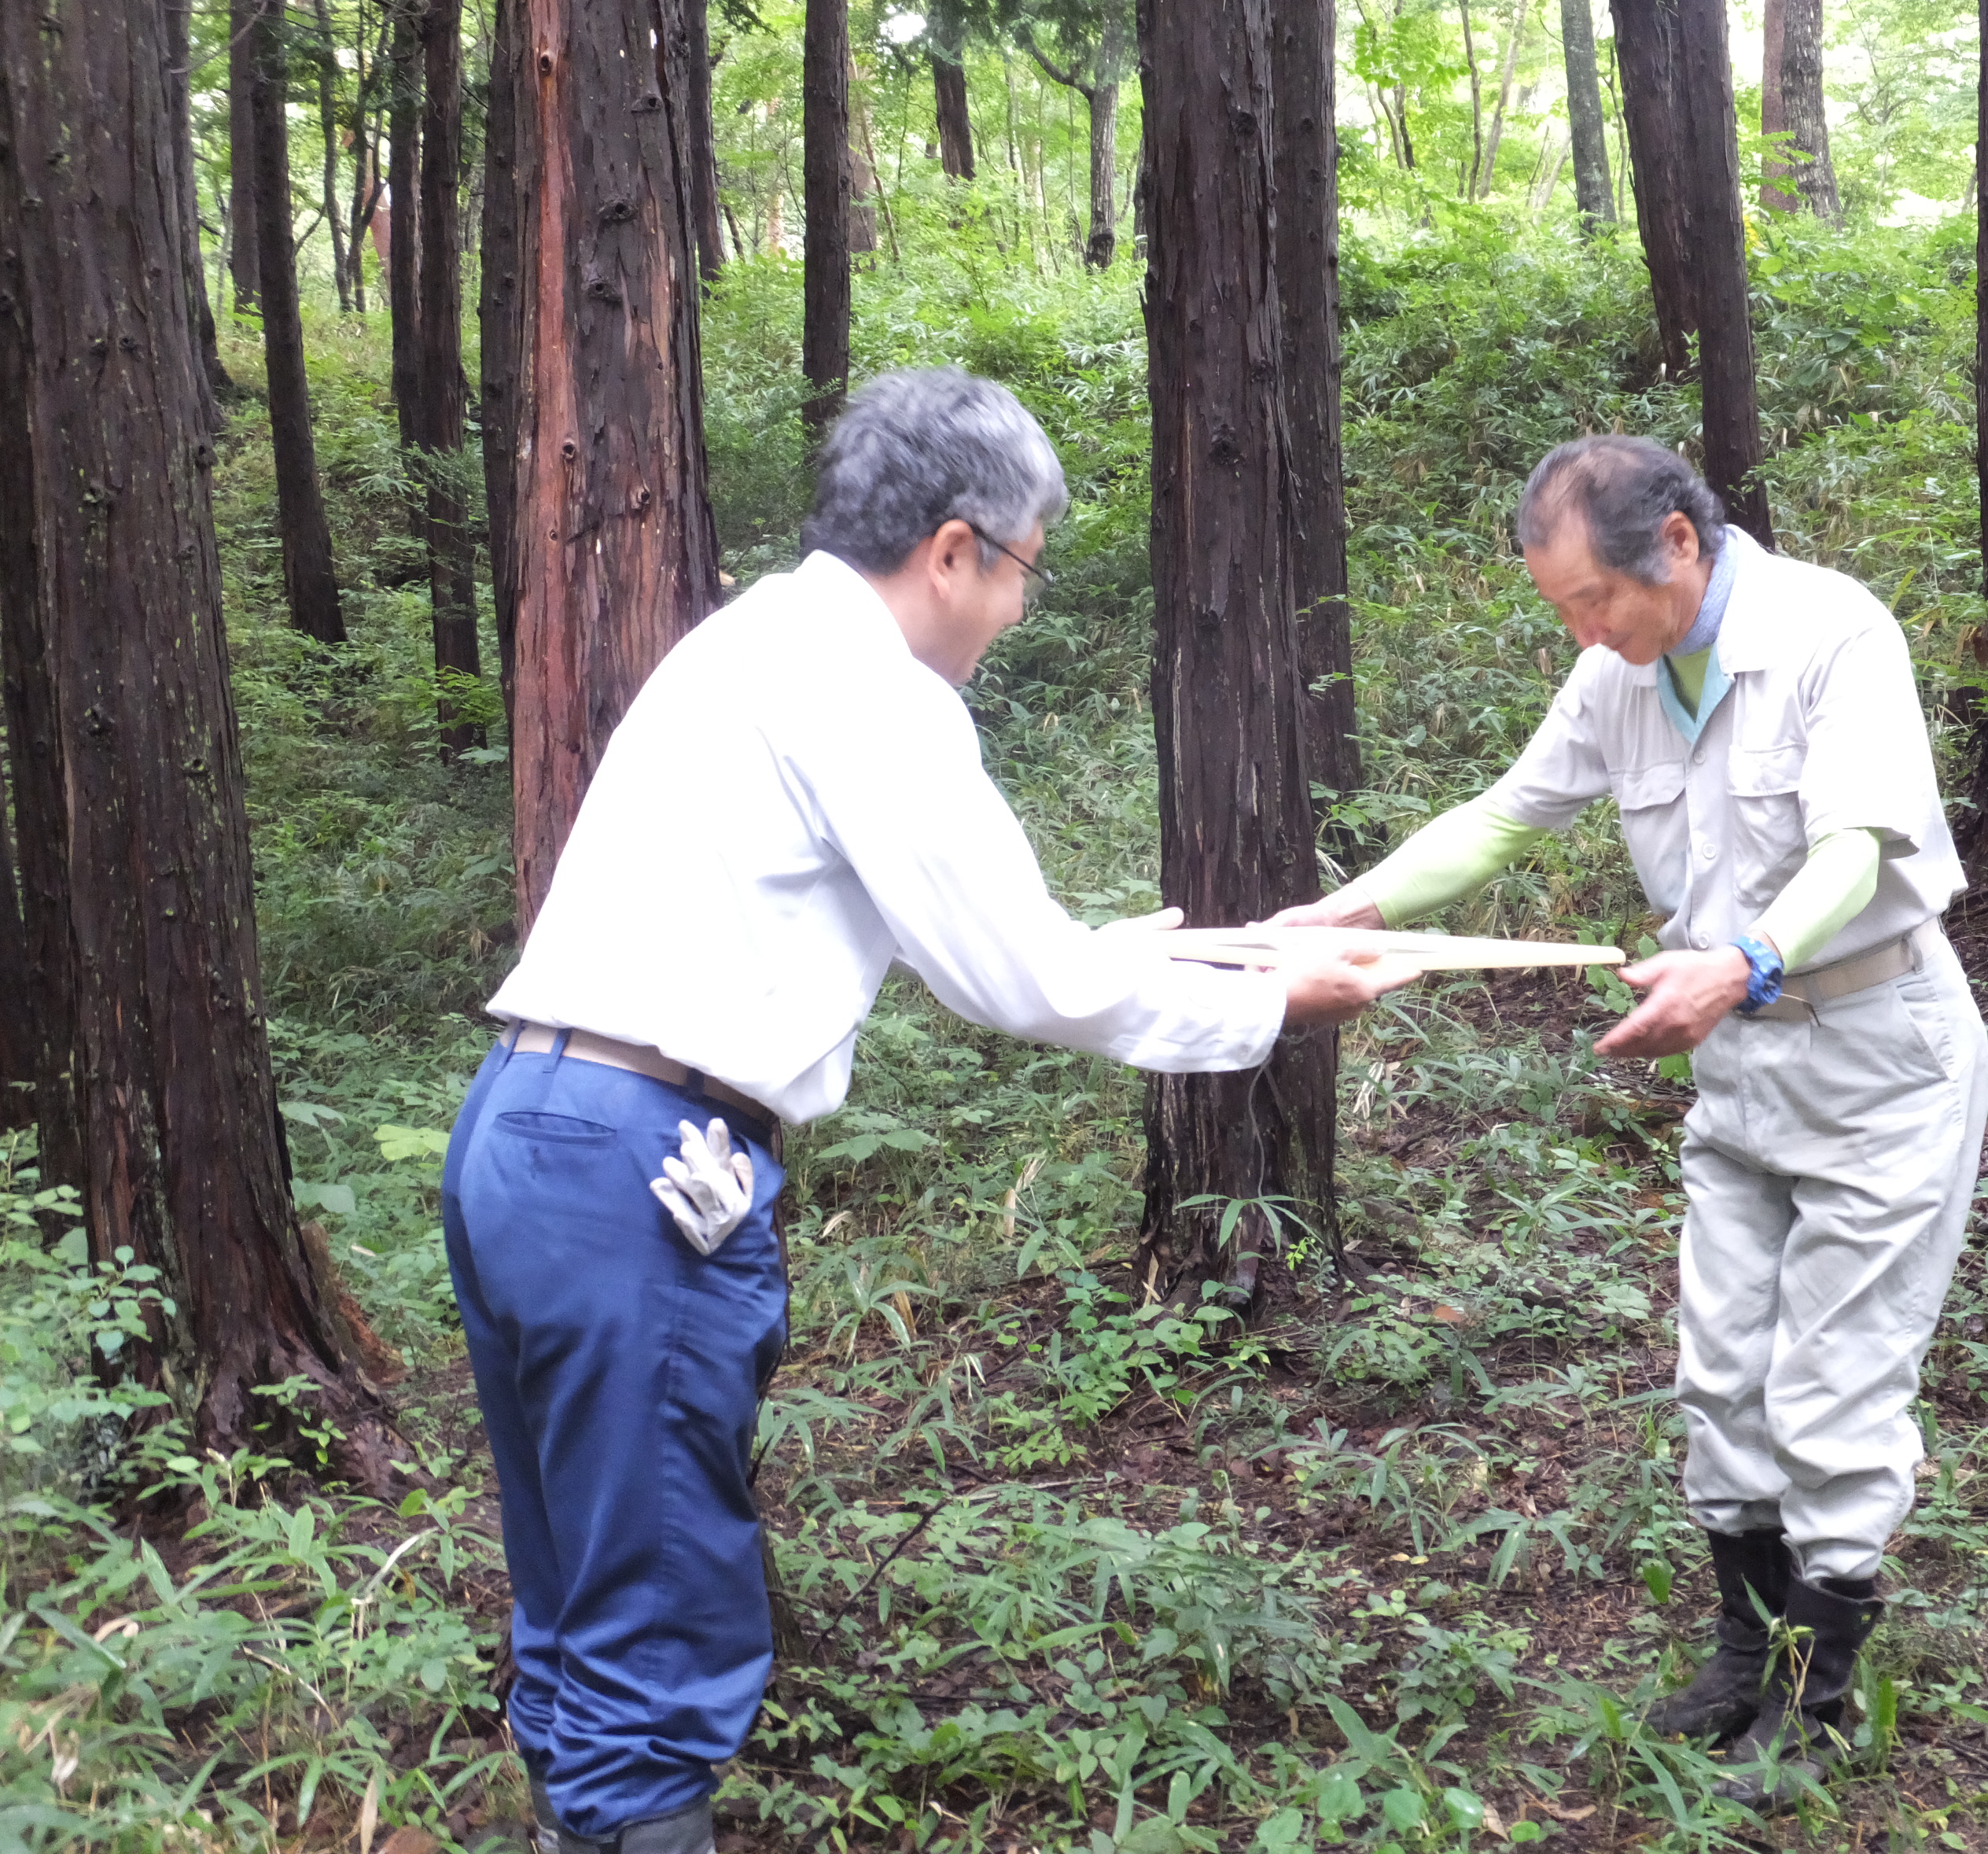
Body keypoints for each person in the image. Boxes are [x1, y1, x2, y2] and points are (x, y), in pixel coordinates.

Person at [444, 367, 1413, 1854]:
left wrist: (1119, 957)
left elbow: (980, 937)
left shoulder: (757, 639)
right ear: (955, 548)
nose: (1015, 611)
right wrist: (1275, 1002)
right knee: (652, 1616)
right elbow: (1019, 983)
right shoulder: (872, 692)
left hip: (527, 1131)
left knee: (578, 1596)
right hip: (641, 1174)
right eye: (1021, 570)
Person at [1271, 435, 1986, 1809]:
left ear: (1676, 541)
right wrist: (1343, 909)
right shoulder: (1618, 671)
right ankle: (1745, 1652)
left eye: (1593, 602)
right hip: (1745, 1071)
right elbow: (1499, 818)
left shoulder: (1832, 632)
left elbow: (1859, 847)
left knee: (1832, 1391)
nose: (1585, 635)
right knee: (1722, 1374)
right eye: (1563, 613)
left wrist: (1745, 961)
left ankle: (1823, 1701)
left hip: (1881, 1054)